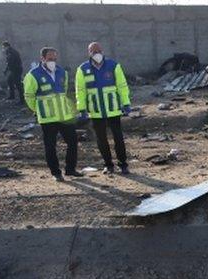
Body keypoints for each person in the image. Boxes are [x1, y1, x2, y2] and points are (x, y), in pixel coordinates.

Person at [24, 47, 81, 182]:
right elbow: (29, 96)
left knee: (73, 142)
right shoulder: (33, 75)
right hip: (48, 118)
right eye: (50, 59)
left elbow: (64, 91)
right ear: (42, 59)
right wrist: (38, 110)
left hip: (64, 116)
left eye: (55, 59)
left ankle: (70, 169)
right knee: (50, 146)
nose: (53, 62)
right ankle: (56, 172)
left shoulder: (62, 72)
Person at [75, 42, 131, 175]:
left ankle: (123, 164)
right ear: (89, 53)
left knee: (118, 138)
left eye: (99, 50)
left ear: (103, 50)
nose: (97, 53)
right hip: (96, 111)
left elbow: (122, 85)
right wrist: (81, 108)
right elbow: (80, 90)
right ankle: (108, 165)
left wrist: (126, 103)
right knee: (101, 140)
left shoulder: (113, 66)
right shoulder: (83, 69)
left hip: (113, 109)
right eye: (94, 51)